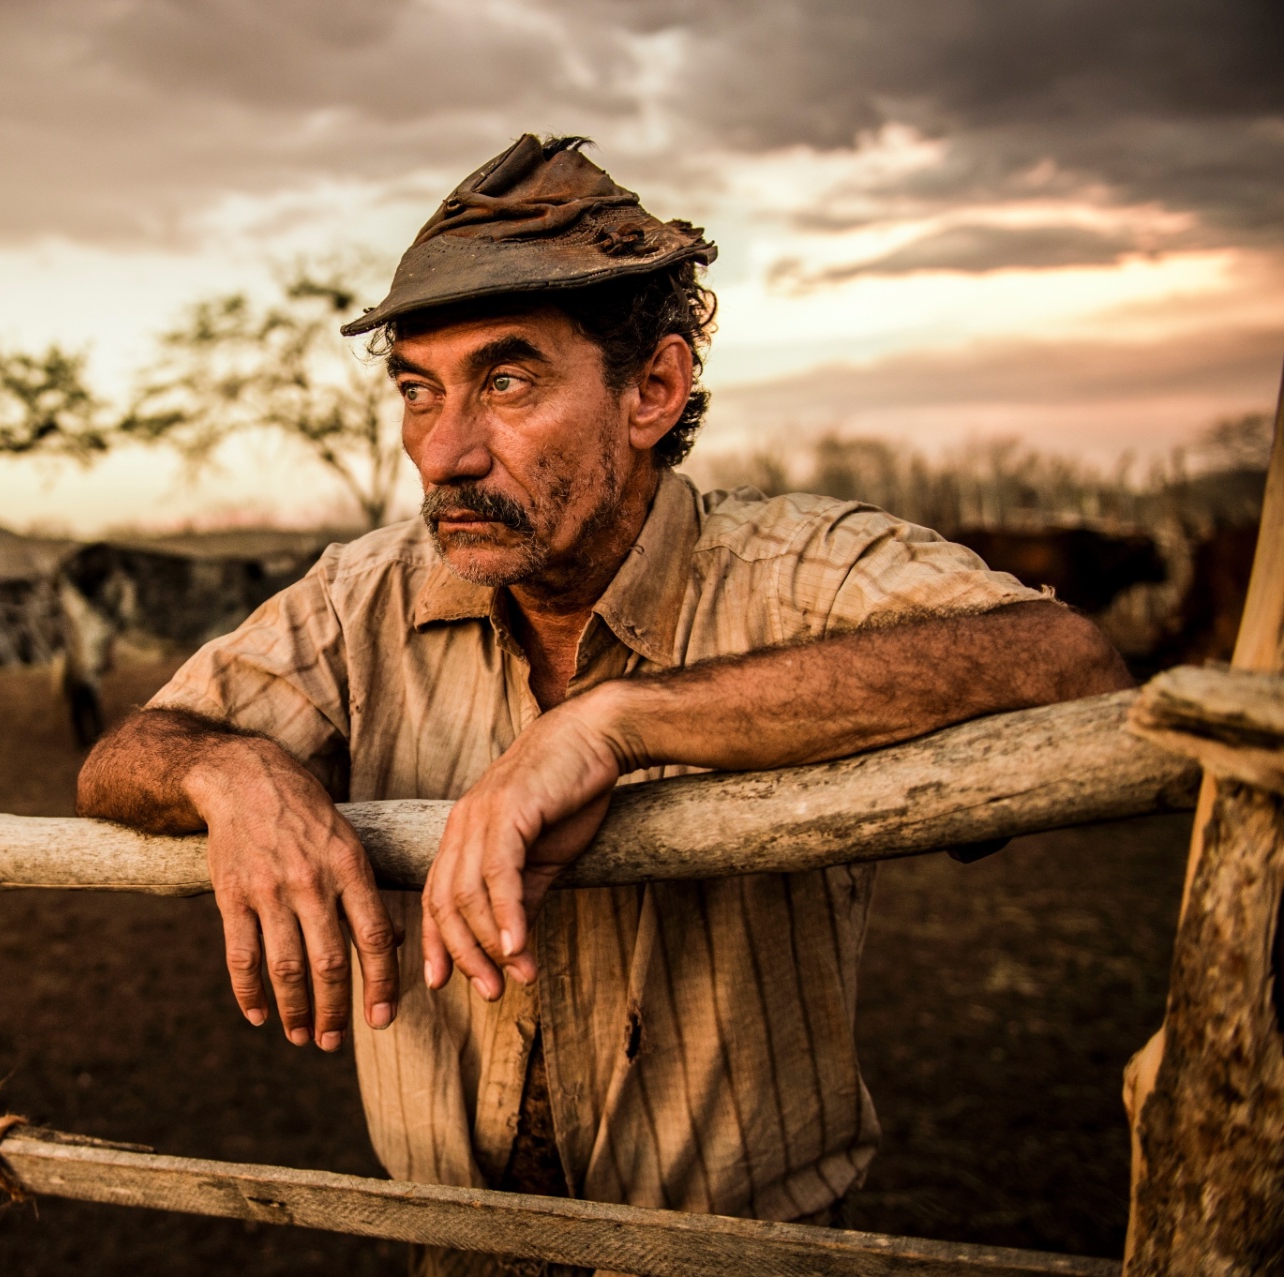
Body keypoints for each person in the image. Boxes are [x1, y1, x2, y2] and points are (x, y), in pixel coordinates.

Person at [77, 134, 1132, 1274]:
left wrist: (617, 722)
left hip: (744, 1259)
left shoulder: (792, 566)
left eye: (507, 382)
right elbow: (124, 754)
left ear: (654, 390)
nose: (443, 452)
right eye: (417, 390)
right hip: (449, 1253)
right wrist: (230, 773)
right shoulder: (362, 593)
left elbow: (1068, 659)